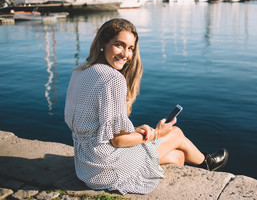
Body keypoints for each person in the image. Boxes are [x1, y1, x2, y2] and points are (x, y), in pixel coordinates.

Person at [64, 18, 228, 195]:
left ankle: (204, 162)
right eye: (119, 45)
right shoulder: (113, 79)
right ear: (103, 42)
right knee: (175, 133)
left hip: (84, 163)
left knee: (178, 157)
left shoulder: (80, 70)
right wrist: (157, 133)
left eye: (130, 48)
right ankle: (207, 162)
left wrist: (135, 131)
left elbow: (98, 127)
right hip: (104, 165)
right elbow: (117, 141)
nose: (125, 54)